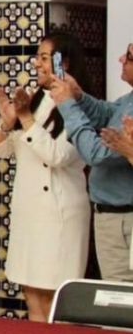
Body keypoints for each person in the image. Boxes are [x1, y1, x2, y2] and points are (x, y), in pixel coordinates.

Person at [0, 32, 90, 320]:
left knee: (58, 301)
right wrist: (7, 124)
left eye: (44, 58)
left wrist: (25, 118)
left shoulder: (81, 106)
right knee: (32, 295)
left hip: (59, 214)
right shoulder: (35, 100)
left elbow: (58, 155)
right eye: (37, 57)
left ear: (63, 63)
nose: (36, 64)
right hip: (28, 212)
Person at [51, 40, 133, 283]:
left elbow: (96, 154)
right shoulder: (129, 100)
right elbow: (108, 114)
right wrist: (79, 96)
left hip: (124, 218)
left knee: (121, 298)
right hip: (114, 218)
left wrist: (67, 105)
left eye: (129, 56)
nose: (121, 59)